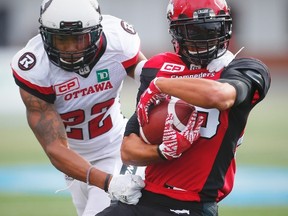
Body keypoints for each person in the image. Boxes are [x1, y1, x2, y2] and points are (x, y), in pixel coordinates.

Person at [96, 0, 271, 215]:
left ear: (226, 28)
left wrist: (161, 85)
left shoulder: (246, 69)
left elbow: (220, 96)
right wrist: (162, 152)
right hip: (144, 198)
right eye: (194, 31)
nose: (205, 39)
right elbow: (128, 151)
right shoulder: (158, 67)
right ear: (176, 32)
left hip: (194, 205)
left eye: (212, 29)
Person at [11, 0, 146, 215]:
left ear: (96, 34)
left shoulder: (116, 42)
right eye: (62, 40)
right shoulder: (36, 69)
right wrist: (108, 183)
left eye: (79, 38)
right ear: (46, 36)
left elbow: (152, 83)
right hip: (72, 162)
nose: (71, 49)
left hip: (115, 148)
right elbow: (55, 148)